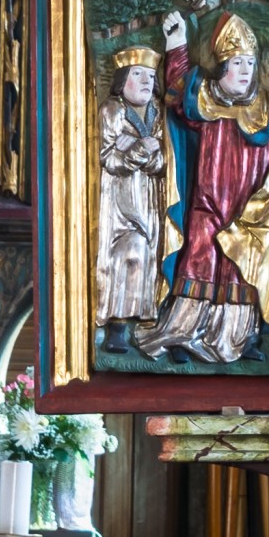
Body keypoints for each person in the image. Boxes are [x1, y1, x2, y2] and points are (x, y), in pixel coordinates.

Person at [131, 4, 269, 369]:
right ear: (222, 67)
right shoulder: (205, 99)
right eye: (237, 64)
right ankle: (183, 333)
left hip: (248, 207)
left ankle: (239, 336)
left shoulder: (264, 105)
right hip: (208, 200)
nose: (245, 72)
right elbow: (176, 93)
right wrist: (177, 44)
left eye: (250, 64)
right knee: (200, 257)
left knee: (241, 264)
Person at [95, 40, 169, 333]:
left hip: (149, 196)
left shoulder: (156, 112)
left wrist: (141, 152)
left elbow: (163, 160)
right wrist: (141, 150)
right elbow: (110, 159)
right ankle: (117, 323)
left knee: (150, 252)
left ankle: (145, 317)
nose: (146, 82)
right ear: (123, 78)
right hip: (121, 199)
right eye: (138, 74)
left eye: (150, 76)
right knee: (129, 252)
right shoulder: (113, 109)